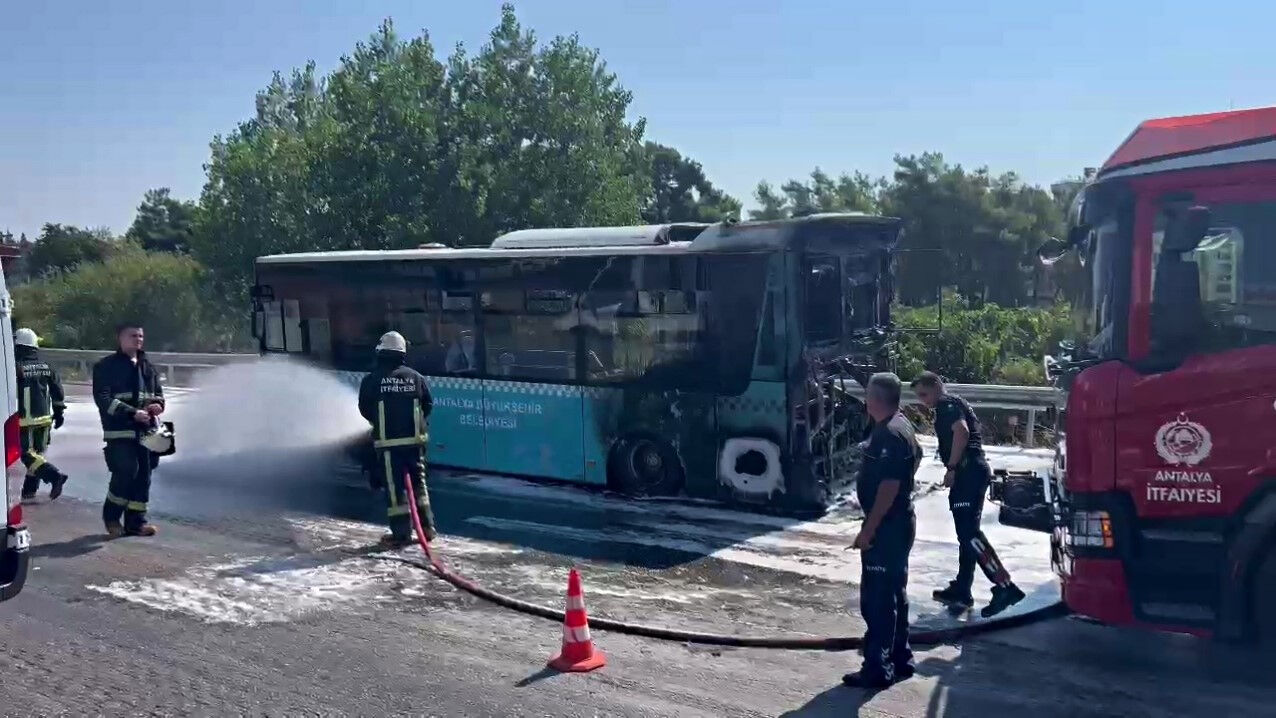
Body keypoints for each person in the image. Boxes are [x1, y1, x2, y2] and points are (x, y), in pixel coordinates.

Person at [910, 371, 1025, 617]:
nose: (923, 400)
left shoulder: (946, 406)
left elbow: (961, 432)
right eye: (919, 396)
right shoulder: (956, 402)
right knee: (966, 535)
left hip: (967, 473)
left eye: (924, 394)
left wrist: (951, 468)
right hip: (974, 471)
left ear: (937, 386)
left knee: (970, 534)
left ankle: (1005, 585)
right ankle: (963, 588)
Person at [843, 372, 921, 689]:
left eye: (868, 395)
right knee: (894, 594)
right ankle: (900, 658)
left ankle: (878, 667)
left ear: (876, 400)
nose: (865, 401)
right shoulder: (900, 425)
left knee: (877, 600)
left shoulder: (889, 433)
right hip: (898, 522)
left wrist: (868, 529)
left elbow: (889, 486)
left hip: (887, 527)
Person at [358, 331, 437, 547]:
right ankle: (427, 528)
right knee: (419, 485)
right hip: (415, 443)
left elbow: (365, 409)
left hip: (389, 445)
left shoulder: (372, 380)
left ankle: (401, 533)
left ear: (381, 353)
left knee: (395, 489)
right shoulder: (416, 378)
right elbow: (428, 405)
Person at [92, 323, 165, 538]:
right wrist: (131, 412)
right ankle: (112, 518)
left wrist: (157, 405)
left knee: (145, 475)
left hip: (148, 431)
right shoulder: (106, 366)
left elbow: (158, 395)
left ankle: (136, 523)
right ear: (120, 339)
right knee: (126, 471)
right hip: (120, 431)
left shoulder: (148, 367)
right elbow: (103, 398)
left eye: (141, 335)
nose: (138, 339)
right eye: (133, 335)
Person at [14, 328, 69, 500]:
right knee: (38, 454)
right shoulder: (47, 366)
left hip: (24, 420)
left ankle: (54, 476)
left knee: (26, 454)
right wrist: (59, 413)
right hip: (45, 419)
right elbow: (57, 390)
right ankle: (29, 491)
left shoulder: (16, 367)